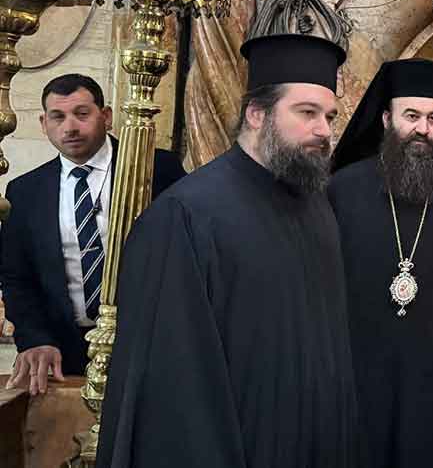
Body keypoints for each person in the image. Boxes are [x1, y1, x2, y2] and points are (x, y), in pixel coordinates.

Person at [96, 34, 359, 468]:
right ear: (256, 114)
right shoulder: (185, 215)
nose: (324, 130)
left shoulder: (317, 207)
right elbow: (172, 386)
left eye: (329, 116)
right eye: (307, 113)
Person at [328, 58, 433, 468]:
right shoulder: (342, 191)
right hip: (355, 374)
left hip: (430, 380)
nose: (423, 129)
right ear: (385, 119)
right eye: (411, 116)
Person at [0, 74, 185, 396]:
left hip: (154, 345)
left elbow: (187, 257)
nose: (70, 127)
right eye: (58, 117)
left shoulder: (159, 169)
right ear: (44, 124)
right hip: (65, 352)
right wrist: (34, 339)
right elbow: (17, 277)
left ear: (106, 116)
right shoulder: (25, 191)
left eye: (81, 114)